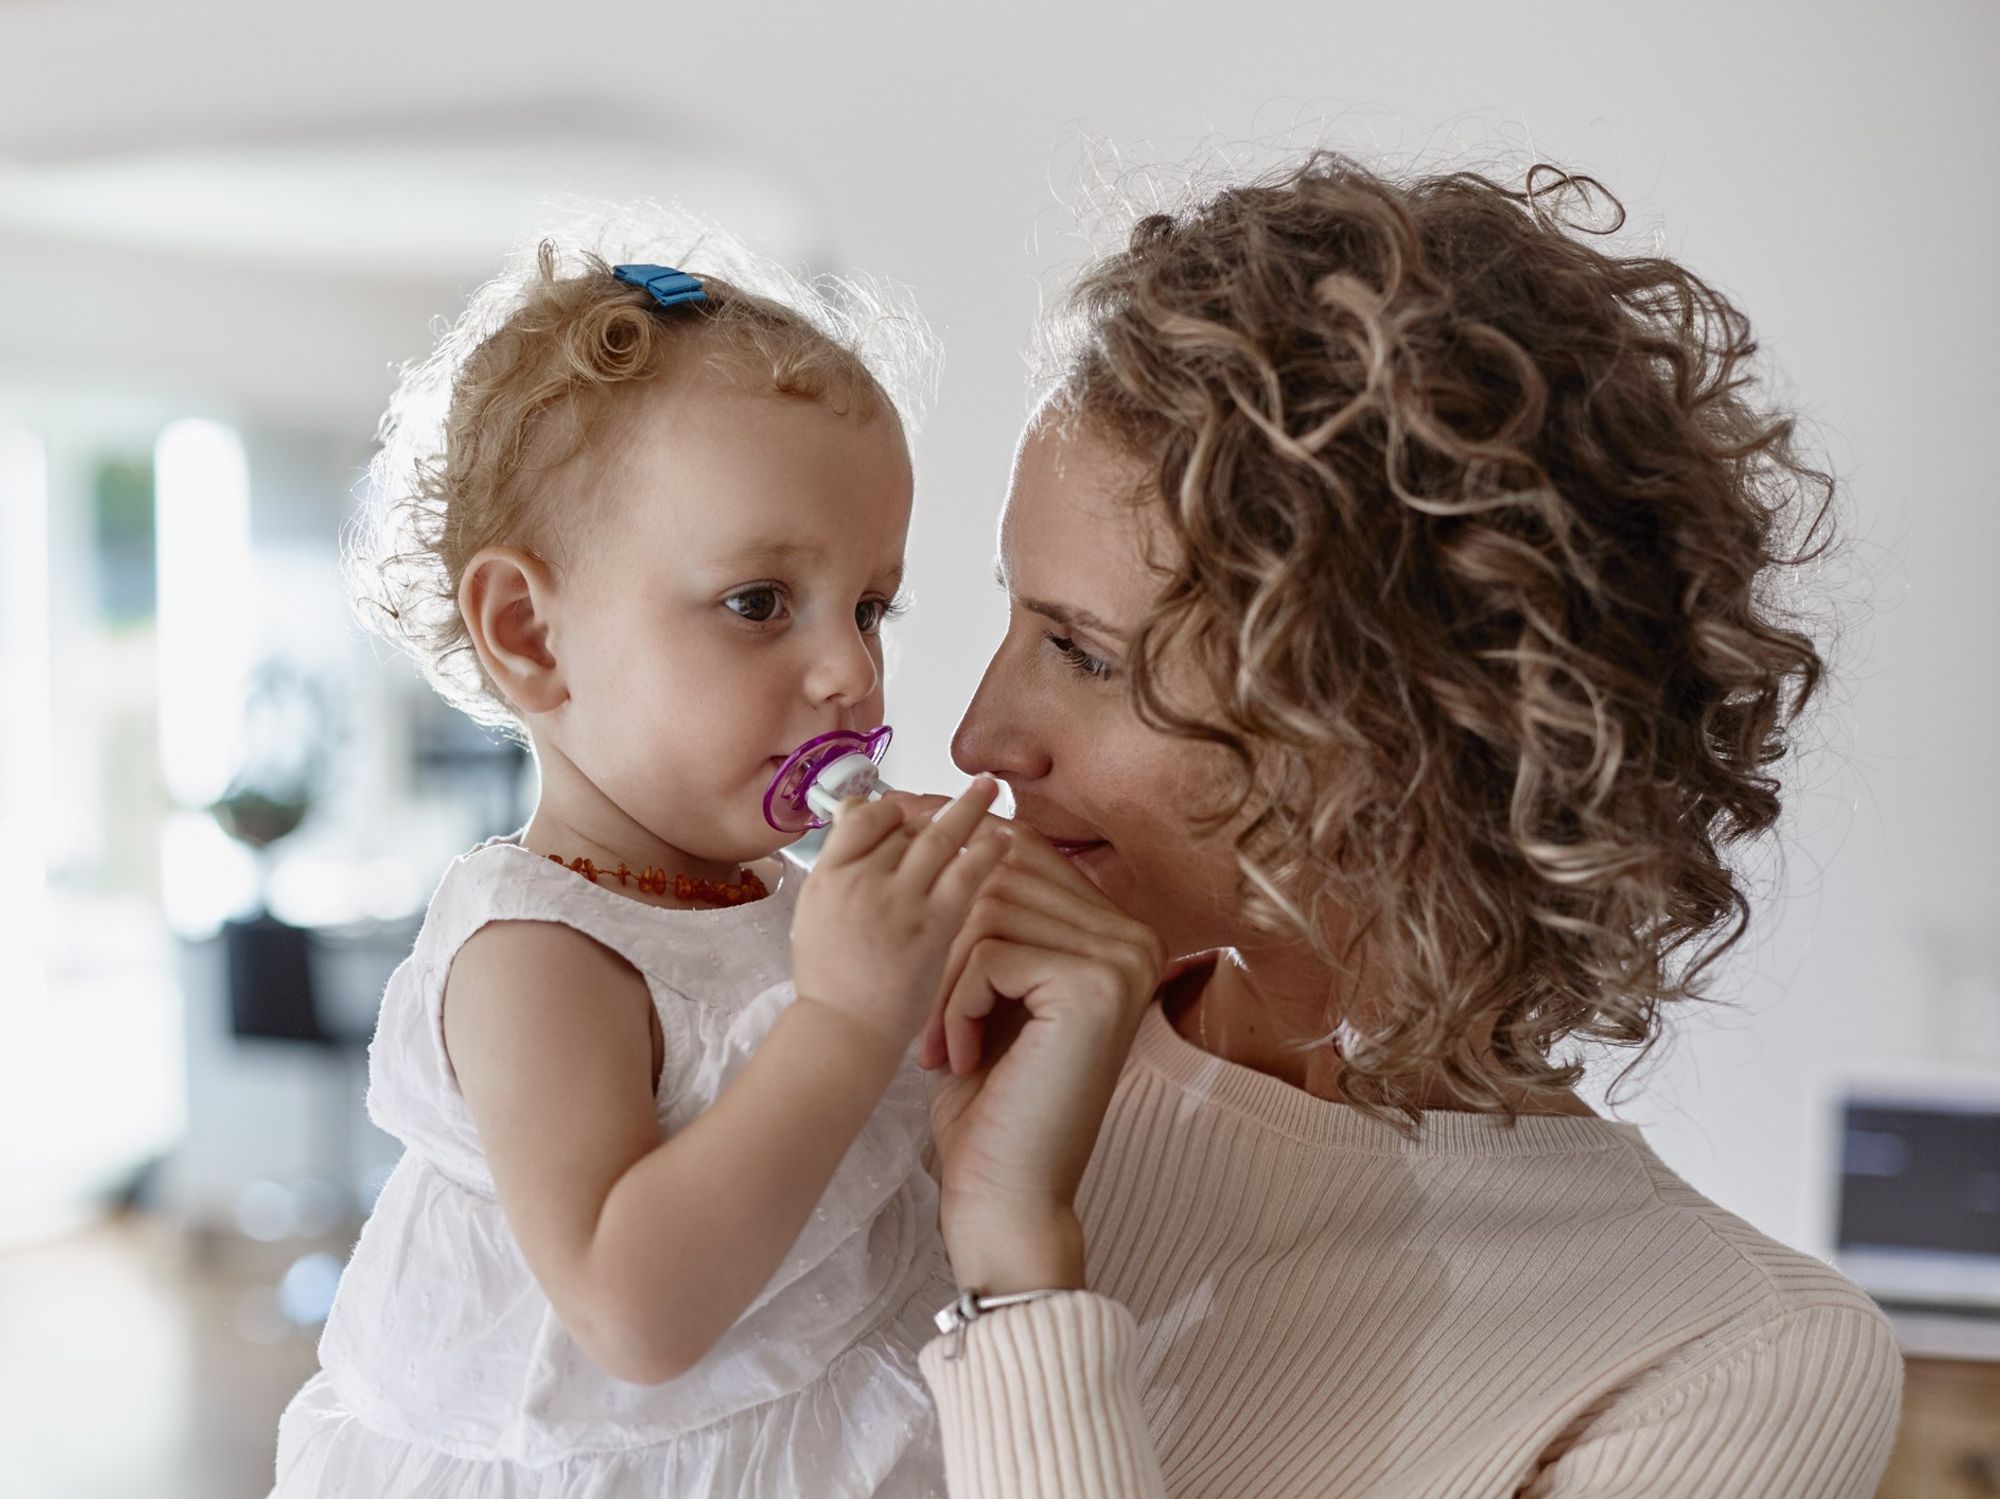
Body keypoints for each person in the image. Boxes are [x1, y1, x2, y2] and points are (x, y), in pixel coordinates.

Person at [905, 154, 1904, 1497]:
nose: (978, 737)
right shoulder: (912, 1018)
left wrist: (1020, 1279)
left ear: (1385, 732)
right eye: (1016, 617)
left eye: (1085, 654)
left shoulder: (1727, 1354)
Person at [269, 236, 1005, 1497]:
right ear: (530, 635)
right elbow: (635, 1310)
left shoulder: (780, 901)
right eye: (761, 602)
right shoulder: (536, 953)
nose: (850, 672)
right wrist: (846, 1013)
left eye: (871, 605)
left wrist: (946, 974)